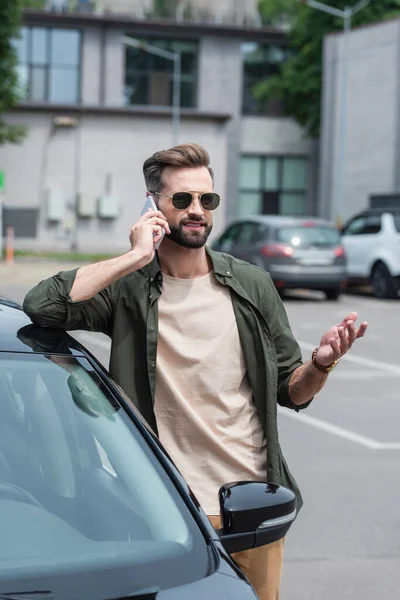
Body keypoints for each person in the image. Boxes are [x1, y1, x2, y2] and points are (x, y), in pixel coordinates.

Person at [23, 143, 368, 600]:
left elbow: (293, 391)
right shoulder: (129, 289)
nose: (197, 210)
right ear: (153, 205)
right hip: (162, 512)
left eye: (207, 200)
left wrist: (322, 364)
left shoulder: (251, 284)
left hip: (251, 507)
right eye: (182, 199)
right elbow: (42, 305)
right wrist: (133, 257)